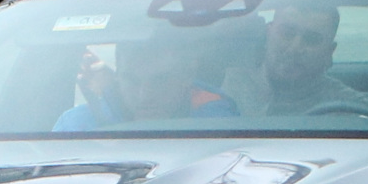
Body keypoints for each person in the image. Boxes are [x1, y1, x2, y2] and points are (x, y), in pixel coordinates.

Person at [223, 0, 368, 117]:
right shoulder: (225, 86)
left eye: (311, 39)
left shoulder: (351, 109)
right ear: (268, 33)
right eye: (287, 33)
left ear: (329, 52)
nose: (295, 48)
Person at [54, 39, 235, 130]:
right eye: (132, 80)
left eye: (160, 81)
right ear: (118, 77)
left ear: (186, 77)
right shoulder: (75, 126)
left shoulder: (220, 125)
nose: (144, 95)